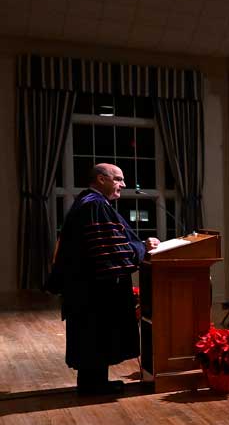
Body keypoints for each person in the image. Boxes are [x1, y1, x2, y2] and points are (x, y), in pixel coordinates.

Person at [48, 163, 158, 394]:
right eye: (118, 179)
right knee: (96, 334)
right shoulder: (94, 206)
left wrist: (136, 246)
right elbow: (110, 250)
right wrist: (142, 247)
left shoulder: (88, 203)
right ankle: (93, 386)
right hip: (95, 289)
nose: (123, 184)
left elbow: (112, 242)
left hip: (88, 286)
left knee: (94, 335)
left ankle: (95, 382)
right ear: (100, 179)